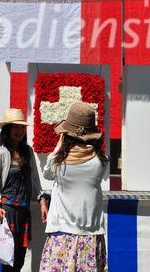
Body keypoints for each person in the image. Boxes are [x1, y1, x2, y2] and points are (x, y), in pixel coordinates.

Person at [40, 101, 109, 272]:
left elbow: (47, 174)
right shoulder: (101, 162)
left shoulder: (58, 162)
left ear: (66, 133)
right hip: (91, 236)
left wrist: (58, 147)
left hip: (61, 233)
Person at [0, 108, 48, 271]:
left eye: (22, 127)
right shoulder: (1, 153)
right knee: (8, 259)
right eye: (15, 127)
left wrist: (42, 201)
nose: (19, 131)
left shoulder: (28, 151)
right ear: (7, 129)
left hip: (23, 211)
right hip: (7, 212)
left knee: (20, 259)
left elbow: (35, 180)